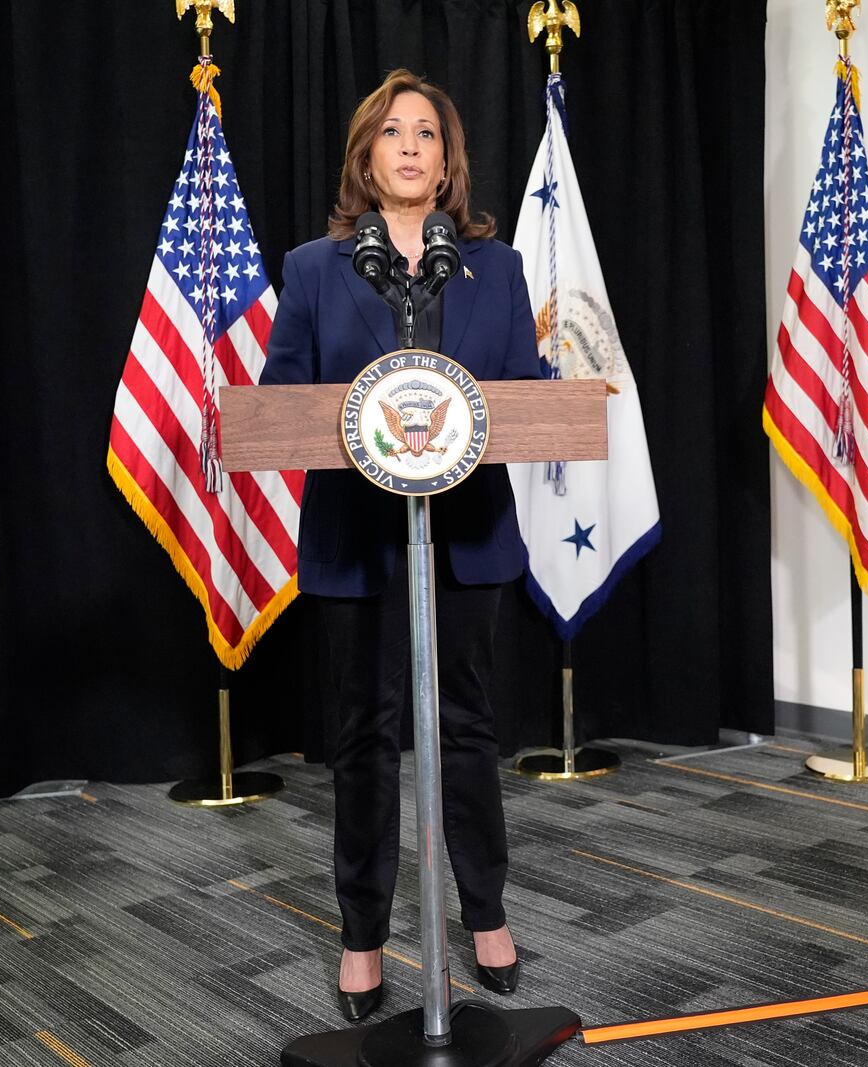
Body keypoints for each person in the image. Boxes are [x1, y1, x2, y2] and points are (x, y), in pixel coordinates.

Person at [260, 68, 541, 1022]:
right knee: (365, 738)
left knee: (467, 726)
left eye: (427, 131)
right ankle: (362, 933)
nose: (411, 145)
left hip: (466, 539)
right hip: (358, 539)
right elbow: (284, 400)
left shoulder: (494, 268)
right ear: (367, 157)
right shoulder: (311, 269)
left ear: (447, 157)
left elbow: (523, 393)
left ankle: (488, 912)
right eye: (392, 132)